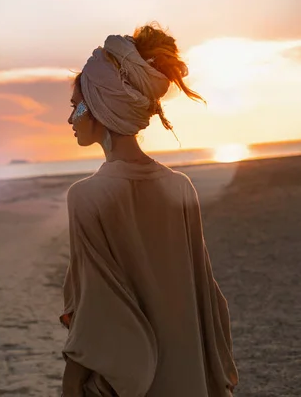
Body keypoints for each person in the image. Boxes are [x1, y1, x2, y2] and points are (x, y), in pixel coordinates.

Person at [60, 24, 239, 396]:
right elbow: (205, 296)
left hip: (129, 385)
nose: (70, 118)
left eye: (76, 105)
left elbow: (93, 307)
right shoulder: (181, 188)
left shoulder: (86, 197)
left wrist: (72, 384)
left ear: (102, 106)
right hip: (188, 378)